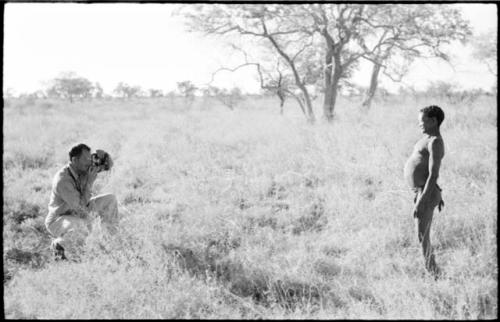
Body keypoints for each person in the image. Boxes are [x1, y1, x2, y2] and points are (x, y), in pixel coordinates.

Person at [45, 143, 118, 261]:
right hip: (60, 218)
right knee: (81, 225)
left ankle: (110, 243)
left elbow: (109, 165)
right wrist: (89, 182)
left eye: (90, 158)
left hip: (79, 209)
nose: (90, 162)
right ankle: (59, 245)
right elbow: (81, 210)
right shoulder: (63, 180)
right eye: (86, 159)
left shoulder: (84, 167)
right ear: (74, 160)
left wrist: (105, 157)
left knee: (110, 199)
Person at [403, 105, 445, 278]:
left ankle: (434, 274)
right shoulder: (426, 138)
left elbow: (434, 174)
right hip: (423, 192)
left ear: (433, 121)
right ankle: (432, 272)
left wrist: (423, 200)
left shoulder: (435, 141)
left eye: (422, 121)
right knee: (421, 235)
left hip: (425, 194)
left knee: (422, 237)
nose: (419, 124)